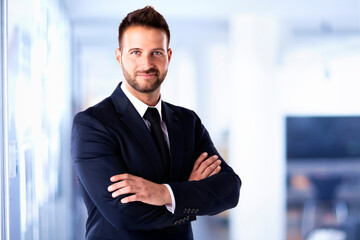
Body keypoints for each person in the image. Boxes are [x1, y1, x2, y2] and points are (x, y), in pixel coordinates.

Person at [71, 6, 241, 240]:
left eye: (156, 53)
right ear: (119, 57)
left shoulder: (187, 122)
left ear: (168, 57)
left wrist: (163, 193)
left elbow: (229, 189)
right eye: (136, 52)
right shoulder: (92, 124)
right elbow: (125, 214)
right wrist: (186, 193)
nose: (146, 63)